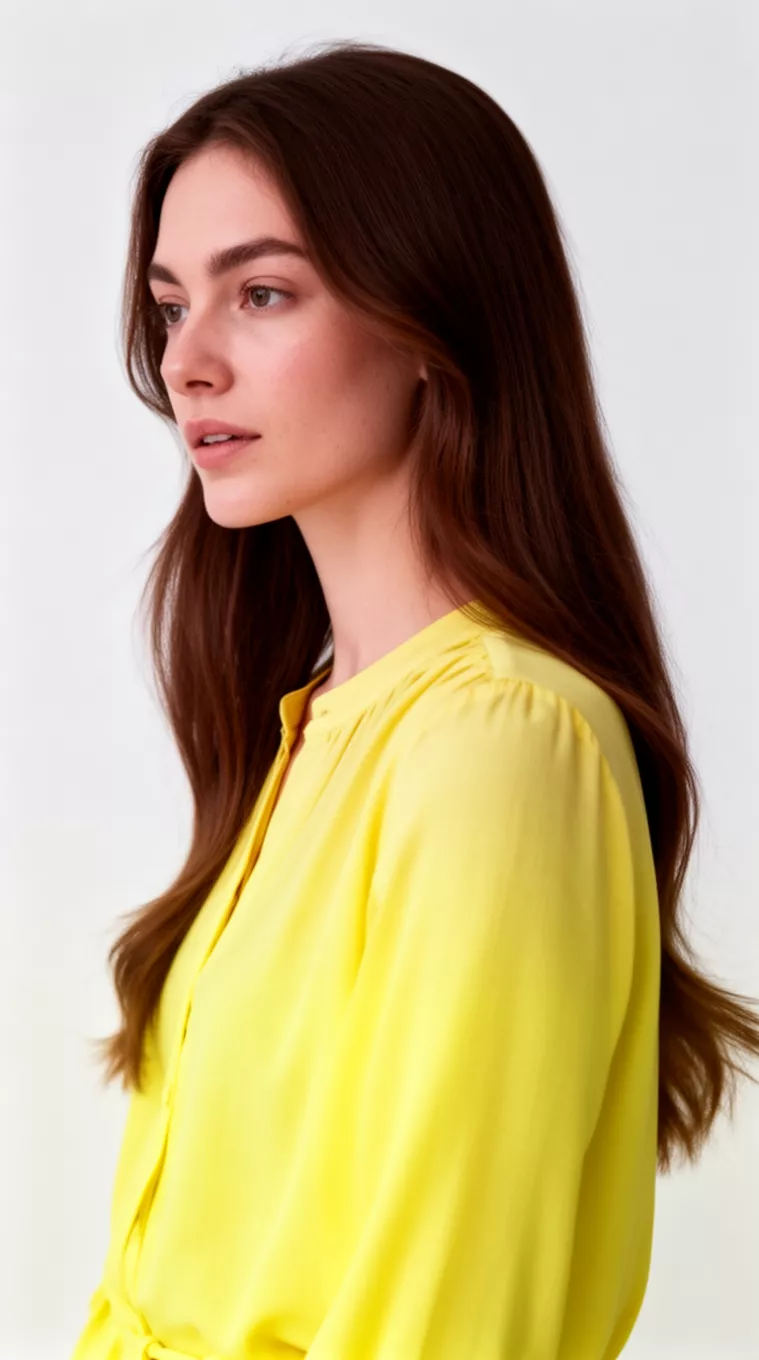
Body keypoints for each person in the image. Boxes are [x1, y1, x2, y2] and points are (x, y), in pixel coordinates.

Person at [71, 39, 759, 1360]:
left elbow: (445, 1323)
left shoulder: (501, 747)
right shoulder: (313, 727)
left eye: (260, 294)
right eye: (169, 307)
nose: (188, 364)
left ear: (431, 319)